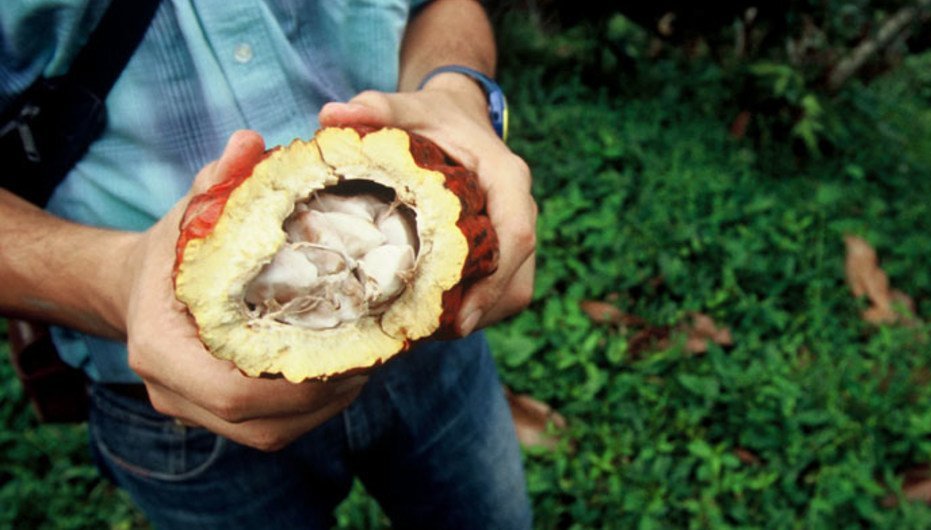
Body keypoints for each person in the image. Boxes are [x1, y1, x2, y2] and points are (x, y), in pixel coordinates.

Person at [0, 0, 537, 528]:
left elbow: (440, 5)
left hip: (433, 352)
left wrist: (454, 90)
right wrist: (118, 280)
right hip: (180, 403)